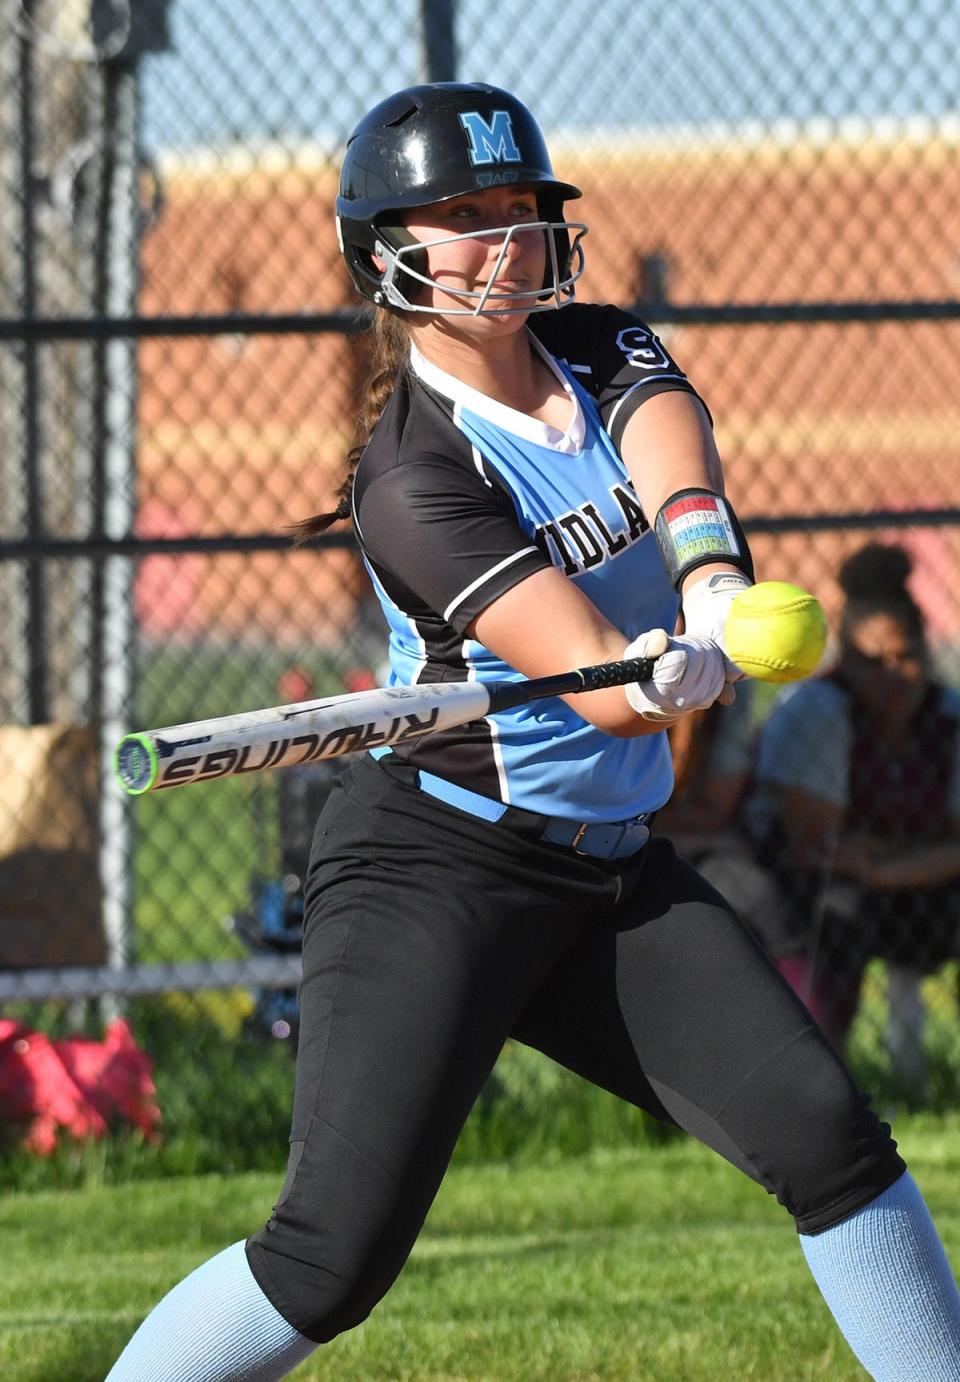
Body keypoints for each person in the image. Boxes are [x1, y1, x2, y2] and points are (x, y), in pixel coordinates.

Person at [106, 83, 960, 1381]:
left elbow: (672, 446)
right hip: (435, 866)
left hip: (608, 870)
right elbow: (591, 680)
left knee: (828, 1133)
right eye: (462, 216)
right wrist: (653, 683)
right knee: (329, 1260)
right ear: (388, 249)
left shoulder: (602, 345)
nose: (503, 237)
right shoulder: (412, 474)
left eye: (519, 208)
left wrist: (710, 581)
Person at [745, 542, 960, 1096]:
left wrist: (881, 864)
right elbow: (818, 849)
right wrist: (905, 859)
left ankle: (927, 1081)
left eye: (905, 656)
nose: (892, 675)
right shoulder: (818, 711)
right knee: (837, 912)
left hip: (906, 879)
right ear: (845, 659)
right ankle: (822, 1084)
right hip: (819, 883)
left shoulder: (949, 716)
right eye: (872, 661)